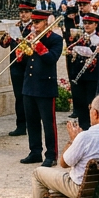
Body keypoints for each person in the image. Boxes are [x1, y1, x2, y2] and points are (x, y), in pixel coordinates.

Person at [18, 9, 65, 166]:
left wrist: (38, 46)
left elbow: (51, 59)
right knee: (32, 121)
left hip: (45, 86)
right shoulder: (30, 37)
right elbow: (26, 63)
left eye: (37, 22)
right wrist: (21, 52)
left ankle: (51, 155)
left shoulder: (55, 39)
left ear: (46, 22)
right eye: (33, 23)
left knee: (48, 123)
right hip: (29, 85)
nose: (34, 25)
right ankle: (35, 151)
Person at [0, 2, 35, 137]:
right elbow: (3, 44)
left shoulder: (34, 28)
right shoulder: (16, 26)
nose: (23, 15)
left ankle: (31, 123)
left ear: (31, 13)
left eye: (26, 12)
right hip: (15, 66)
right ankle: (20, 125)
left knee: (29, 96)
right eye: (21, 12)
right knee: (19, 96)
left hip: (28, 65)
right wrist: (7, 36)